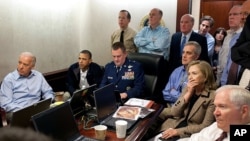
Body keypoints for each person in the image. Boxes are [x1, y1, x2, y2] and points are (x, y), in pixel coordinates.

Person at [149, 60, 217, 141]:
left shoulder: (213, 97)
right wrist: (187, 95)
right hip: (175, 123)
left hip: (191, 132)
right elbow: (175, 112)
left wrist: (178, 132)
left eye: (194, 73)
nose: (190, 77)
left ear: (205, 77)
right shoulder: (188, 89)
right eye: (189, 74)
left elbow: (205, 126)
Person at [178, 85, 250, 141]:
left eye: (222, 106)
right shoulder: (218, 126)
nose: (215, 113)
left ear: (244, 111)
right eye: (216, 106)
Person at [0, 52, 54, 120]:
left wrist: (46, 103)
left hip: (37, 110)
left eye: (25, 64)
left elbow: (48, 92)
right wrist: (25, 110)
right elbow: (6, 104)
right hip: (17, 112)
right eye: (20, 62)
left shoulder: (38, 76)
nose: (21, 67)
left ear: (32, 67)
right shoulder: (9, 79)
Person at [160, 41, 201, 119]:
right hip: (170, 107)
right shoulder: (177, 71)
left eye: (188, 53)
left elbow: (189, 100)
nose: (184, 56)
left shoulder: (198, 75)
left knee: (153, 116)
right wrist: (182, 96)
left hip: (185, 112)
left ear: (196, 57)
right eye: (183, 52)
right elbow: (165, 94)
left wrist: (173, 92)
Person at [216, 5, 242, 86]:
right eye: (230, 15)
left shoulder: (245, 36)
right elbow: (223, 60)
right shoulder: (227, 36)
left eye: (235, 14)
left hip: (239, 82)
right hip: (224, 80)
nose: (231, 17)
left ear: (243, 16)